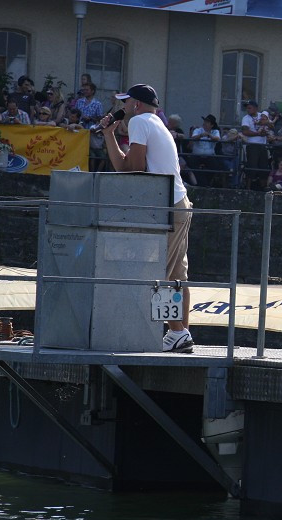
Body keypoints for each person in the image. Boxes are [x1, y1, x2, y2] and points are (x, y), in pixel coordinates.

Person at [100, 84, 194, 353]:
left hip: (167, 206)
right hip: (178, 203)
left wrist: (113, 135)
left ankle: (148, 333)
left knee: (157, 274)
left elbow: (133, 170)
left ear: (137, 105)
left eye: (125, 102)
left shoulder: (139, 121)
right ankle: (179, 334)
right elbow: (126, 168)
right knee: (176, 274)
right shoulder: (154, 122)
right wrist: (110, 135)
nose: (123, 107)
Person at [241, 100, 268, 190]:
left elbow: (271, 125)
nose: (247, 110)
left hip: (262, 145)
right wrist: (258, 134)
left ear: (255, 108)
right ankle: (248, 188)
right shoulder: (246, 118)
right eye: (247, 108)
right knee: (252, 166)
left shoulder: (262, 116)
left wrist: (266, 125)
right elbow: (245, 131)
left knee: (263, 167)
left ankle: (263, 188)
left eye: (249, 108)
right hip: (252, 145)